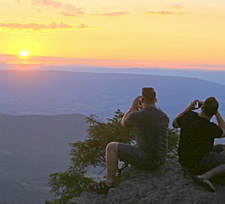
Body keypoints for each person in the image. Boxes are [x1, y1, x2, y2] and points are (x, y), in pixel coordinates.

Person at [89, 87, 169, 193]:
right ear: (155, 100)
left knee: (111, 147)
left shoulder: (138, 115)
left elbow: (123, 123)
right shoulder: (163, 116)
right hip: (161, 159)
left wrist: (132, 108)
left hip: (147, 160)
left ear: (142, 100)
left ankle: (108, 183)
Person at [172, 97, 225, 192]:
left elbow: (175, 123)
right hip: (197, 163)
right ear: (213, 112)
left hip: (184, 159)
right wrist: (217, 113)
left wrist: (189, 108)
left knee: (222, 148)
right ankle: (204, 177)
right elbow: (224, 131)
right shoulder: (210, 127)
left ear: (202, 107)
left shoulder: (188, 116)